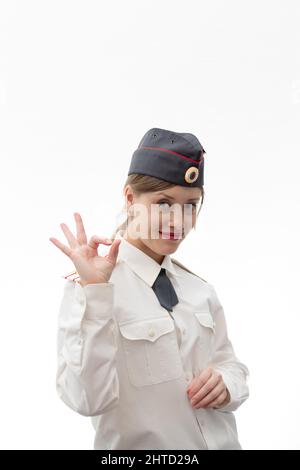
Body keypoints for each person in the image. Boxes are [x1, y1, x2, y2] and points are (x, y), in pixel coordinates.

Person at [49, 127, 250, 450]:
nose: (178, 222)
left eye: (190, 205)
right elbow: (86, 399)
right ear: (130, 198)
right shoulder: (93, 287)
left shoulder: (199, 289)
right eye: (164, 203)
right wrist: (96, 293)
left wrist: (227, 384)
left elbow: (232, 366)